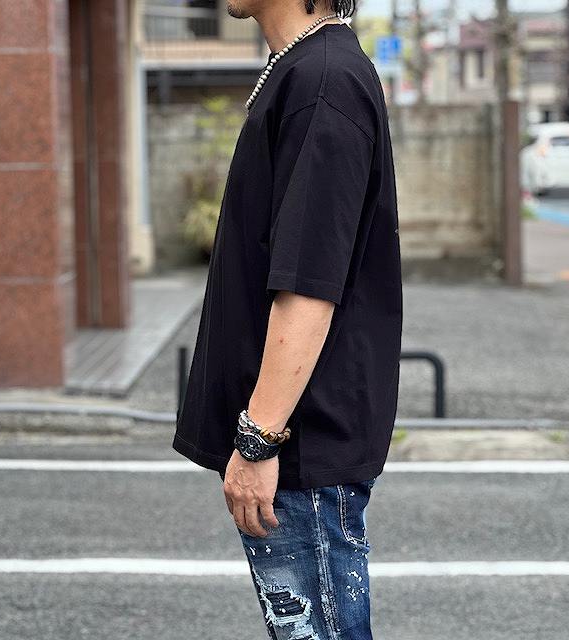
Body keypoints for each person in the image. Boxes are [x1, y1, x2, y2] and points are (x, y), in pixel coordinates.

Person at [173, 1, 402, 637]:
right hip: (298, 436)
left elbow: (309, 285)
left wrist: (259, 441)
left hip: (299, 442)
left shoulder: (322, 79)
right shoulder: (305, 68)